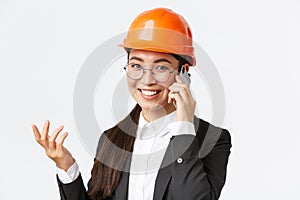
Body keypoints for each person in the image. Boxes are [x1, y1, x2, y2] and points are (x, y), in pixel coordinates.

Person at [32, 7, 231, 200]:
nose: (147, 80)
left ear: (183, 72)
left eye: (161, 67)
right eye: (136, 65)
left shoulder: (212, 139)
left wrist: (185, 128)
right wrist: (67, 168)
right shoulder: (112, 139)